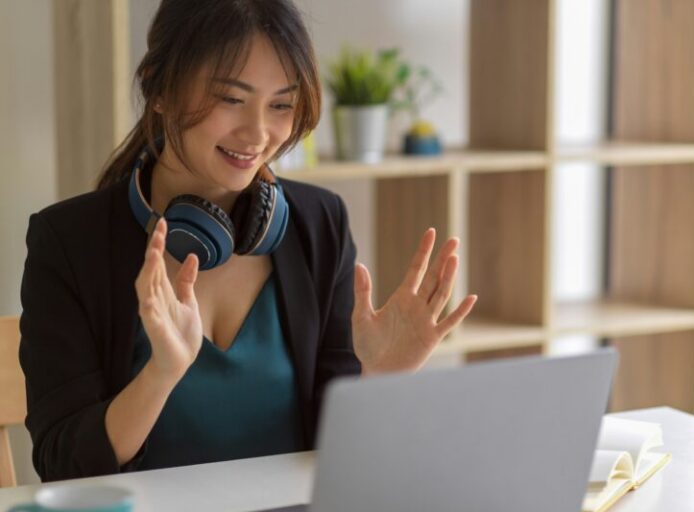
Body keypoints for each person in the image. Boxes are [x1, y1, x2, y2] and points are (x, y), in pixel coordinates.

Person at [19, 0, 477, 482]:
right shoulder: (68, 243)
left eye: (281, 104)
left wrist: (379, 379)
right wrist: (159, 375)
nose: (258, 133)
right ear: (160, 89)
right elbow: (60, 465)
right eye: (231, 99)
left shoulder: (318, 224)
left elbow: (334, 458)